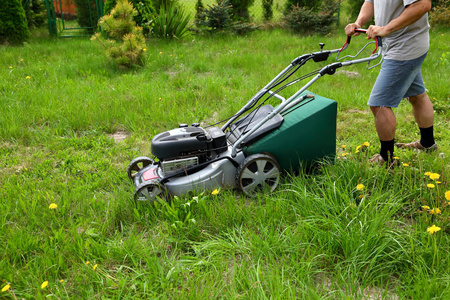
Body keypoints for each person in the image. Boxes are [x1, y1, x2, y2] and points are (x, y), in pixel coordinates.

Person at [345, 0, 437, 166]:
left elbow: (423, 4)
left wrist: (385, 29)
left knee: (379, 104)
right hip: (395, 44)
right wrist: (358, 22)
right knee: (416, 94)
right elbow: (370, 2)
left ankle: (387, 159)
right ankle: (428, 143)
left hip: (406, 47)